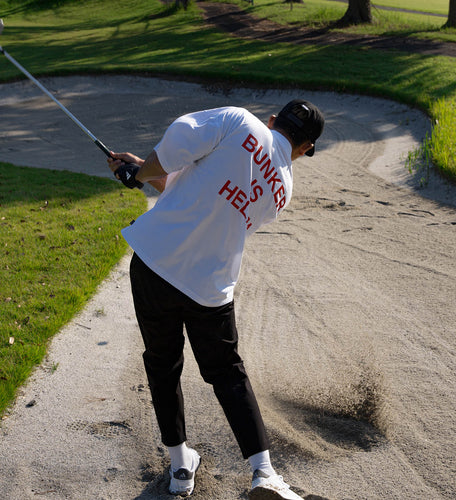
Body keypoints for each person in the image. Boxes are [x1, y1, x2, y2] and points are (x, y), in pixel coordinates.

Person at [107, 99, 324, 499]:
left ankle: (179, 469)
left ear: (273, 119)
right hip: (208, 288)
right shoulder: (283, 190)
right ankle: (263, 472)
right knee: (227, 373)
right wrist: (145, 171)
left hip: (156, 263)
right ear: (306, 148)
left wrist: (141, 172)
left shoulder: (239, 120)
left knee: (162, 363)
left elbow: (177, 146)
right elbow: (208, 197)